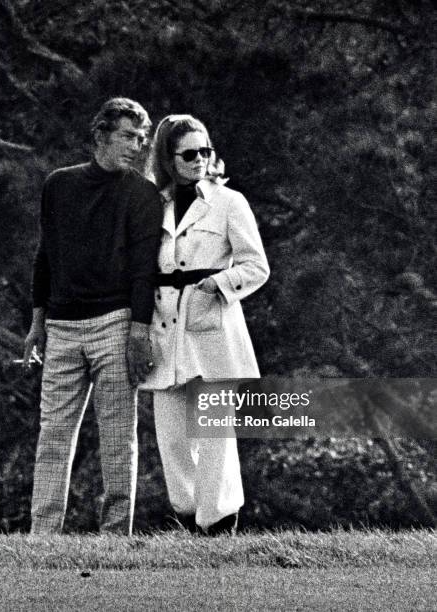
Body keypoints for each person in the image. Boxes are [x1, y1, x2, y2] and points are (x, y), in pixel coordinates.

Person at [23, 97, 162, 535]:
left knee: (118, 438)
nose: (136, 147)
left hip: (116, 323)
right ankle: (41, 539)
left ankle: (114, 537)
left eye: (141, 139)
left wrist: (138, 332)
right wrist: (37, 321)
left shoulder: (142, 193)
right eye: (127, 136)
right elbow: (46, 254)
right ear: (100, 134)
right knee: (53, 436)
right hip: (61, 327)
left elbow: (145, 270)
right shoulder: (58, 185)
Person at [141, 115, 270, 535]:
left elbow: (256, 266)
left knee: (215, 433)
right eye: (189, 153)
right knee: (173, 436)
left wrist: (219, 282)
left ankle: (218, 522)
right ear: (168, 157)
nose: (200, 160)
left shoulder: (230, 202)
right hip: (164, 328)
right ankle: (188, 514)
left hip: (212, 324)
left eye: (205, 151)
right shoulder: (150, 204)